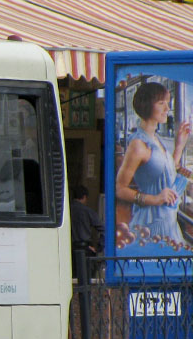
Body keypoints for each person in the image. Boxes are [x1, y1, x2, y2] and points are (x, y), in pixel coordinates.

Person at [115, 81, 191, 246]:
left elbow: (165, 173)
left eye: (168, 103)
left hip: (167, 221)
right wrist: (155, 199)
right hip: (151, 223)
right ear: (147, 105)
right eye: (161, 103)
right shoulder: (138, 144)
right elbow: (120, 189)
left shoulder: (156, 139)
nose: (167, 108)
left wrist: (179, 147)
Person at [70, 183, 103, 254]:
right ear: (84, 197)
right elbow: (104, 229)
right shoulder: (87, 211)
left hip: (69, 248)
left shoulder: (67, 211)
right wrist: (99, 247)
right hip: (86, 248)